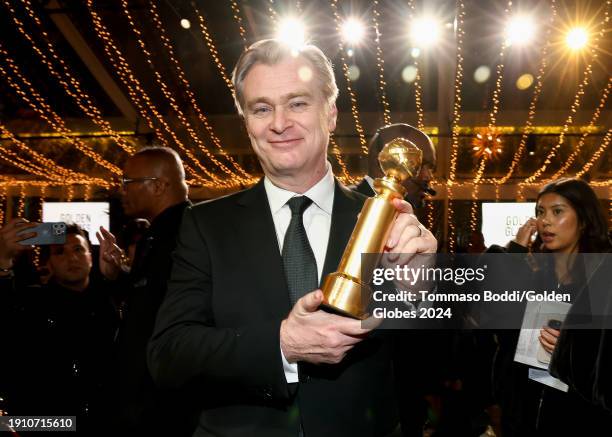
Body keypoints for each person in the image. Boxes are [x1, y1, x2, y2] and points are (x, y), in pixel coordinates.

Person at [147, 38, 437, 437]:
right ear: (247, 122)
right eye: (262, 108)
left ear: (331, 114)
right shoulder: (206, 225)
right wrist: (281, 344)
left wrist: (426, 286)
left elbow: (432, 363)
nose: (279, 123)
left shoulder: (388, 222)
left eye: (298, 103)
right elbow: (168, 356)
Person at [490, 178, 612, 436]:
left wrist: (568, 350)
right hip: (524, 414)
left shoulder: (602, 281)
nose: (545, 221)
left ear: (584, 219)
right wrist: (516, 252)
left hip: (579, 419)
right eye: (540, 212)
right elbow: (503, 330)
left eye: (557, 211)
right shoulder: (536, 276)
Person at [96, 147, 193, 436]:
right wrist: (118, 276)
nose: (121, 190)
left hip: (163, 406)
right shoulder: (156, 236)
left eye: (128, 182)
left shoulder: (189, 235)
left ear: (159, 185)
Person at [0, 221, 117, 435]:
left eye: (78, 249)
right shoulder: (32, 304)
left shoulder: (109, 303)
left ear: (91, 257)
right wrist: (3, 260)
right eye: (60, 252)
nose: (72, 258)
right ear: (49, 264)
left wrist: (118, 277)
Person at [355, 123, 437, 209]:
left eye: (431, 168)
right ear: (381, 162)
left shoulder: (403, 211)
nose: (428, 177)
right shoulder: (344, 207)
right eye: (416, 164)